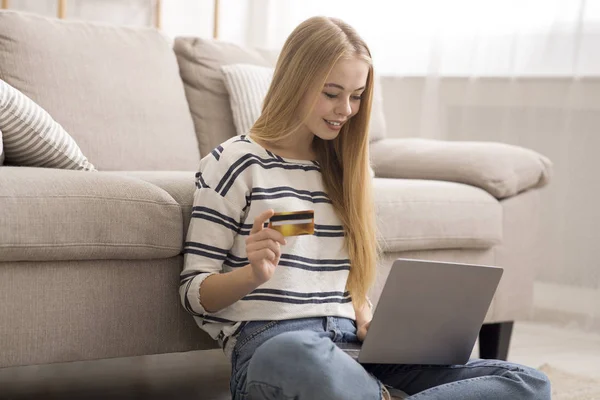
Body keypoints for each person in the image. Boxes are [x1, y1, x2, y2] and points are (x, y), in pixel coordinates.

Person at [179, 16, 551, 400]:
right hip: (276, 349)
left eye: (356, 96)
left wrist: (367, 315)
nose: (346, 109)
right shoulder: (235, 161)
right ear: (295, 81)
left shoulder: (351, 172)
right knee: (295, 351)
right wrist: (252, 275)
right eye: (331, 93)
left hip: (358, 354)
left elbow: (347, 283)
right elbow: (193, 291)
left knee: (529, 383)